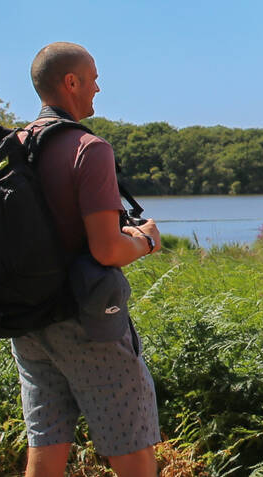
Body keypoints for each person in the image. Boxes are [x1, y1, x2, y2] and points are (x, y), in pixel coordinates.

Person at [15, 42, 161, 477]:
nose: (98, 86)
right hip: (87, 320)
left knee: (47, 446)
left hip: (28, 320)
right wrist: (146, 241)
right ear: (71, 82)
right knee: (132, 448)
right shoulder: (89, 149)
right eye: (92, 76)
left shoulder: (13, 146)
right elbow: (106, 249)